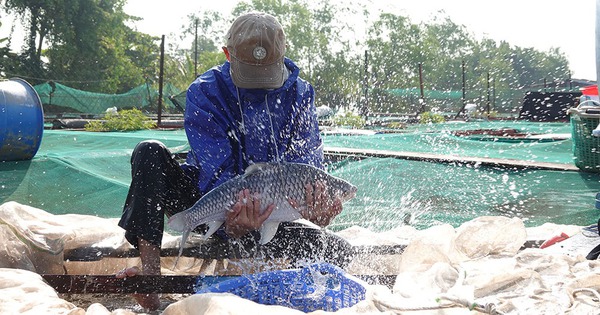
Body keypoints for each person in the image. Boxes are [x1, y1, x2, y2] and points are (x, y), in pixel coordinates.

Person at [116, 12, 349, 311]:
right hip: (208, 201)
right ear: (227, 54)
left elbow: (307, 166)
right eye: (251, 73)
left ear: (282, 57)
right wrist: (231, 215)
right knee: (149, 151)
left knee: (339, 252)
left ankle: (287, 293)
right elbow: (214, 169)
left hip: (274, 213)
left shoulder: (300, 94)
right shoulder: (205, 90)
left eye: (266, 73)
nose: (258, 85)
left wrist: (317, 207)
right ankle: (150, 280)